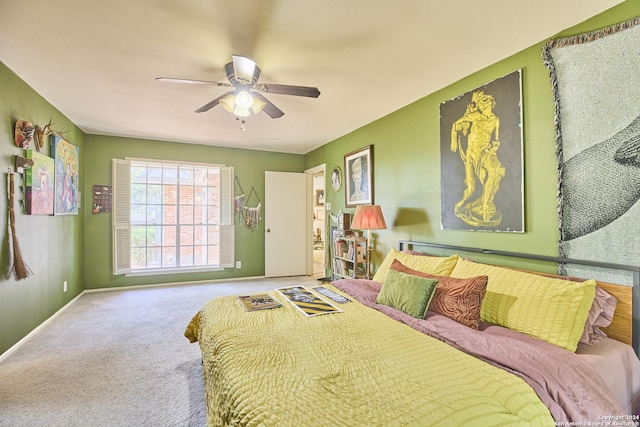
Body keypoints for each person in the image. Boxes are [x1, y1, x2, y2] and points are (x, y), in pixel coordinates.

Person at [450, 90, 505, 227]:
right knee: (471, 188)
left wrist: (494, 145)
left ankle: (486, 205)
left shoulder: (495, 120)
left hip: (486, 151)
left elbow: (497, 140)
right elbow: (456, 124)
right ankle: (462, 205)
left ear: (490, 104)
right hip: (472, 153)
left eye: (484, 104)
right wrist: (454, 140)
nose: (481, 107)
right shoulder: (474, 116)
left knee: (494, 172)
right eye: (480, 104)